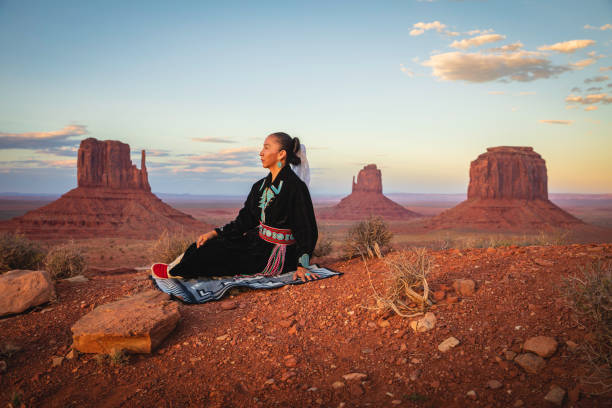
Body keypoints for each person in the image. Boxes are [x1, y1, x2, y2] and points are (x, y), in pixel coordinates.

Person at [151, 132, 320, 282]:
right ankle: (177, 267)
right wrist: (215, 233)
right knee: (208, 245)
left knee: (215, 257)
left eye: (267, 148)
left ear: (281, 154)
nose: (261, 152)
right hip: (258, 242)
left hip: (277, 254)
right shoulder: (259, 186)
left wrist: (302, 264)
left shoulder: (295, 187)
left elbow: (306, 229)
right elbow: (245, 220)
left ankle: (177, 271)